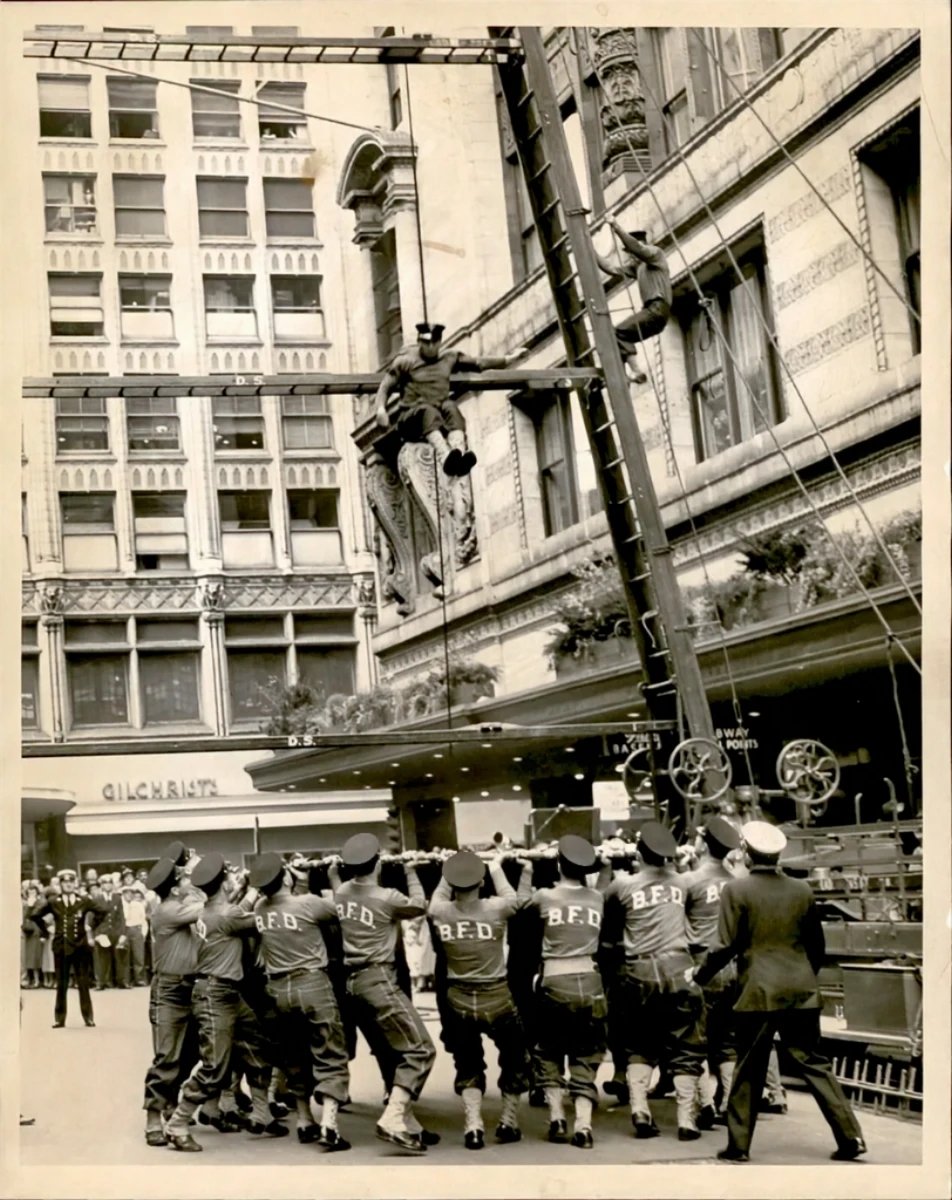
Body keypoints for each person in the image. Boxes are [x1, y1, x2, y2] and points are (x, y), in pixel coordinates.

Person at [694, 821, 867, 1163]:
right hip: (801, 989)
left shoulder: (736, 890)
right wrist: (803, 977)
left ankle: (739, 1146)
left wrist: (700, 975)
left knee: (749, 1068)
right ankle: (852, 1136)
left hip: (758, 992)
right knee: (815, 1063)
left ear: (744, 852)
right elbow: (816, 946)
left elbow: (724, 945)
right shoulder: (802, 890)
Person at [162, 853, 278, 1152]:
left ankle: (261, 1112)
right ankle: (177, 1123)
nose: (233, 880)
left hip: (223, 992)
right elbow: (261, 918)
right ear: (223, 883)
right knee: (215, 1067)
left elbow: (237, 909)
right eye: (229, 877)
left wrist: (249, 889)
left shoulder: (208, 910)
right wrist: (262, 887)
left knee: (257, 1045)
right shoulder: (226, 916)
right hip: (216, 993)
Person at [328, 833, 435, 1154]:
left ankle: (409, 1121)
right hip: (379, 980)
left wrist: (335, 870)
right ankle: (392, 1117)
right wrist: (411, 871)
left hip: (353, 984)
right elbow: (420, 906)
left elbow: (336, 884)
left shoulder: (343, 892)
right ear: (377, 863)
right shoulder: (387, 897)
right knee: (420, 1050)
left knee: (393, 1050)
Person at [602, 821, 706, 1142]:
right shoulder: (685, 884)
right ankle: (687, 1119)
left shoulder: (620, 887)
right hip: (679, 968)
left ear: (638, 853)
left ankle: (639, 1109)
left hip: (639, 973)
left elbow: (607, 939)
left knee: (639, 1044)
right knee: (687, 1042)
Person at [428, 850, 532, 1150]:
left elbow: (436, 899)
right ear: (482, 881)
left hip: (458, 998)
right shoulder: (496, 909)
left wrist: (449, 869)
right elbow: (515, 899)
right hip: (497, 996)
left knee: (468, 1063)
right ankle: (508, 1121)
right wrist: (497, 866)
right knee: (515, 1059)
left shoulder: (441, 912)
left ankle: (473, 1126)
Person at [249, 853, 351, 1150]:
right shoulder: (307, 903)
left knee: (293, 1055)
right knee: (331, 1051)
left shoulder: (259, 908)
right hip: (312, 983)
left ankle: (304, 1119)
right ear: (284, 878)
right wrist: (331, 875)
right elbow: (341, 909)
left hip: (278, 988)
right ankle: (329, 1124)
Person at [521, 835, 607, 1149]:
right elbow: (604, 883)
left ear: (558, 864)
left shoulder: (545, 897)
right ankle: (583, 1125)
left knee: (548, 1049)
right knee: (587, 1051)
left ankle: (557, 1115)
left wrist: (527, 868)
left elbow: (519, 903)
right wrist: (606, 862)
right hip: (590, 979)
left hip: (554, 980)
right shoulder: (596, 898)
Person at [374, 322, 527, 476]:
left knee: (451, 407)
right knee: (427, 411)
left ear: (439, 342)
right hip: (411, 419)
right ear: (420, 342)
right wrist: (381, 408)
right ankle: (445, 455)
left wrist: (509, 359)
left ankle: (458, 455)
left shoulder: (449, 357)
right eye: (427, 343)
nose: (431, 347)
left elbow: (478, 363)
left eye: (434, 343)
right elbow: (386, 385)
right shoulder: (405, 361)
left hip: (436, 417)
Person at [681, 816, 743, 1128]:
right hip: (735, 967)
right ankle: (730, 1104)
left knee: (695, 1039)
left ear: (703, 843)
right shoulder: (738, 882)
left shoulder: (689, 881)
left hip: (701, 965)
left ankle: (704, 1103)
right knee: (727, 1042)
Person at [141, 857, 204, 1147]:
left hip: (190, 987)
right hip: (169, 989)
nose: (189, 883)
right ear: (176, 889)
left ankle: (168, 1104)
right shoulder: (167, 911)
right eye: (185, 880)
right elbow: (211, 906)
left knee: (190, 1053)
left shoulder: (177, 906)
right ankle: (153, 1117)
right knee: (166, 1056)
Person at [595, 218, 672, 385]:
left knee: (618, 332)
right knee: (619, 338)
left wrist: (615, 225)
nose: (629, 257)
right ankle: (625, 377)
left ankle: (636, 371)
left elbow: (638, 249)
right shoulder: (638, 268)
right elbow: (610, 268)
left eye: (630, 254)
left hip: (656, 309)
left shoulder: (656, 255)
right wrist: (591, 251)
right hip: (654, 313)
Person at [29, 868, 108, 1028]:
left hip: (80, 947)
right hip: (61, 947)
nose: (69, 885)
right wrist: (46, 929)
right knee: (62, 984)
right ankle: (59, 1018)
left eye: (71, 882)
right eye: (65, 882)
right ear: (61, 885)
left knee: (83, 983)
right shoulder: (54, 901)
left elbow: (102, 911)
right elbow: (34, 915)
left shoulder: (83, 900)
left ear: (75, 883)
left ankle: (88, 1017)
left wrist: (90, 926)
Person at [89, 876, 126, 988]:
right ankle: (101, 982)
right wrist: (97, 934)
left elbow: (121, 917)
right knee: (101, 958)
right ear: (101, 886)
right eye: (105, 883)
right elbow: (92, 919)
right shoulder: (96, 899)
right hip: (102, 932)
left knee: (120, 956)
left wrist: (122, 933)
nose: (108, 885)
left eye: (110, 883)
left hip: (115, 932)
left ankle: (121, 981)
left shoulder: (117, 898)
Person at [118, 882, 150, 987]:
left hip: (136, 929)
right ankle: (125, 980)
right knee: (125, 956)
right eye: (126, 893)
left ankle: (139, 979)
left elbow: (143, 920)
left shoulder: (138, 905)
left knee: (138, 957)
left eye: (131, 893)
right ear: (122, 894)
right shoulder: (120, 905)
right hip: (125, 930)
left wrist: (143, 934)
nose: (129, 895)